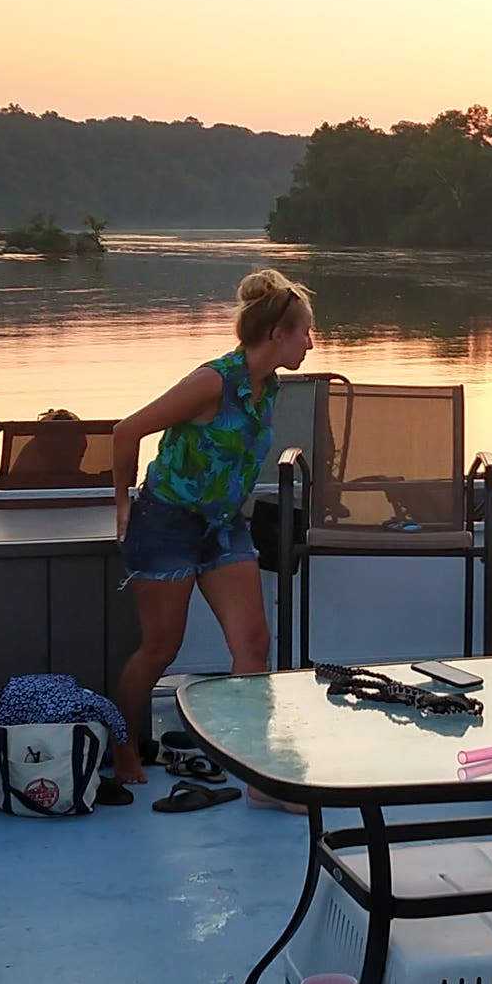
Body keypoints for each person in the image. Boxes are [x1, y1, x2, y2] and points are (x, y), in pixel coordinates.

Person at [111, 269, 317, 792]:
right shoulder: (212, 382)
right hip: (167, 524)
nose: (311, 343)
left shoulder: (268, 387)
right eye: (305, 333)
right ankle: (124, 743)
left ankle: (257, 774)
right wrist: (122, 506)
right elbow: (126, 430)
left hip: (225, 526)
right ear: (278, 335)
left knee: (253, 641)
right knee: (161, 649)